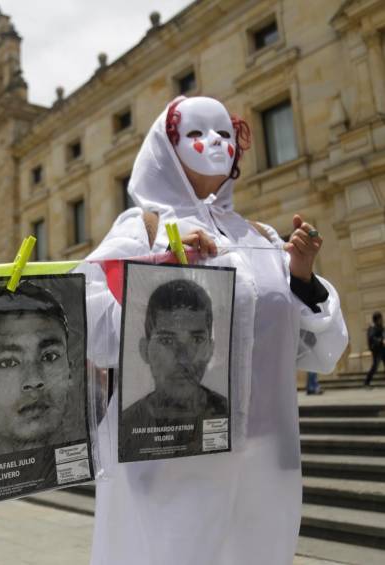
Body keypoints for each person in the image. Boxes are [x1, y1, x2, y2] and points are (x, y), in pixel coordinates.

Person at [79, 96, 348, 565]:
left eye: (226, 134)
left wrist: (302, 279)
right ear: (166, 148)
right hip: (174, 455)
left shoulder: (259, 237)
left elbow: (318, 350)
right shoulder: (142, 230)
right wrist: (164, 270)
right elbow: (92, 329)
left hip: (265, 456)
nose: (216, 143)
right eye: (198, 133)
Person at [120, 278, 227, 458]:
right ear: (144, 350)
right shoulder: (125, 426)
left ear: (210, 349)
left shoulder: (229, 417)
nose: (183, 358)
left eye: (196, 340)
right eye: (167, 341)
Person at [0, 281, 74, 456]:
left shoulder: (102, 469)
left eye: (49, 357)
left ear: (70, 372)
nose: (34, 381)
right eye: (8, 362)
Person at [364, 311, 384, 387]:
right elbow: (371, 338)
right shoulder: (372, 328)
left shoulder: (381, 327)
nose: (382, 319)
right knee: (375, 366)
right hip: (376, 350)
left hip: (382, 349)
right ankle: (367, 382)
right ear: (377, 319)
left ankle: (367, 382)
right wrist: (380, 340)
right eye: (380, 318)